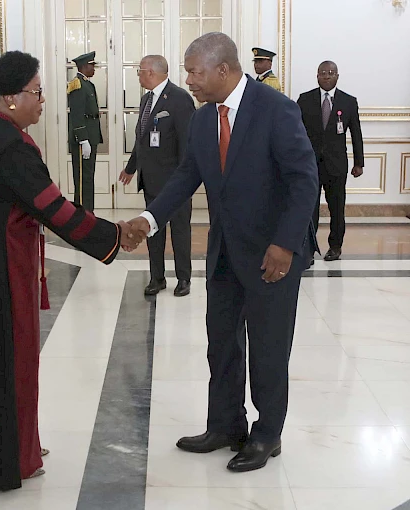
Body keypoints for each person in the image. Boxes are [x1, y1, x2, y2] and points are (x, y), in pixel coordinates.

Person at [0, 50, 141, 491]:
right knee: (7, 360)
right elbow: (52, 209)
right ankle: (6, 455)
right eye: (37, 93)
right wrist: (114, 234)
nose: (43, 101)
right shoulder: (10, 145)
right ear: (9, 98)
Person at [128, 33, 319, 473]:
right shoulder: (202, 120)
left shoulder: (276, 109)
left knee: (269, 349)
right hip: (225, 254)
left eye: (194, 71)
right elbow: (184, 178)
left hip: (274, 255)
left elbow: (304, 180)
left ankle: (267, 434)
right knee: (222, 343)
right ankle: (225, 425)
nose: (189, 79)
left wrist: (285, 244)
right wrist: (148, 219)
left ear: (224, 70)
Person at [120, 55, 195, 297]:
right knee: (152, 230)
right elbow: (141, 140)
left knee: (180, 231)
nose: (139, 76)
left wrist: (185, 180)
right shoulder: (146, 100)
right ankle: (157, 277)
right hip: (151, 180)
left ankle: (184, 278)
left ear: (151, 72)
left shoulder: (180, 99)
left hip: (175, 182)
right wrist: (131, 167)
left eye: (140, 71)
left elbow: (187, 143)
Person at [297, 61, 364, 262]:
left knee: (337, 208)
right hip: (310, 165)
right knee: (309, 208)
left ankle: (335, 247)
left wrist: (359, 162)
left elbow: (356, 134)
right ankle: (308, 250)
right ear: (317, 76)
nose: (327, 76)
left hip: (337, 165)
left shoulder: (348, 101)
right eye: (323, 73)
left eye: (331, 73)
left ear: (337, 76)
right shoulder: (305, 99)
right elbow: (296, 132)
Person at [67, 51, 102, 210]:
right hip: (83, 138)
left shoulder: (87, 83)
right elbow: (76, 114)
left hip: (90, 136)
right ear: (84, 66)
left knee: (88, 178)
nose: (94, 69)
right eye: (92, 66)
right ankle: (82, 215)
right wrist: (82, 138)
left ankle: (89, 214)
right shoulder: (77, 84)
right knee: (82, 179)